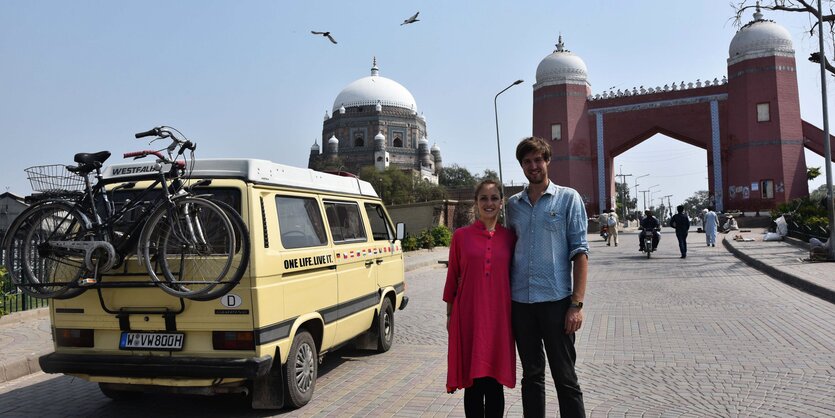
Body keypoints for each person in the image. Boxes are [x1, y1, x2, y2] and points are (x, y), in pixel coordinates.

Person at [506, 137, 588, 417]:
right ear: (521, 165)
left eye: (538, 160)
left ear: (547, 161)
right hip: (521, 304)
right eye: (527, 161)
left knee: (565, 379)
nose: (533, 166)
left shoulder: (568, 198)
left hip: (556, 302)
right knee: (531, 376)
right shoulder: (512, 205)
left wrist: (576, 305)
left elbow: (580, 253)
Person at [443, 179, 516, 417]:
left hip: (499, 320)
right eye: (483, 198)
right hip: (469, 317)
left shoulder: (510, 238)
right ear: (475, 203)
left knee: (495, 381)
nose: (489, 203)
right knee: (473, 382)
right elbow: (452, 278)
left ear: (501, 203)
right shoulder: (461, 237)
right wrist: (449, 316)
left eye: (494, 198)